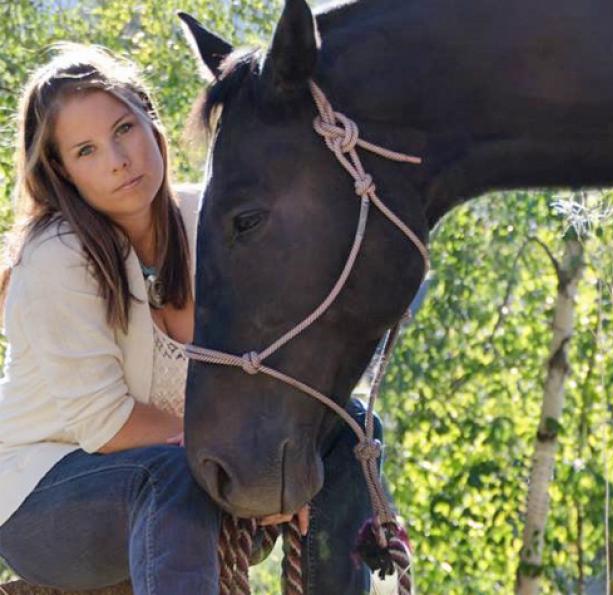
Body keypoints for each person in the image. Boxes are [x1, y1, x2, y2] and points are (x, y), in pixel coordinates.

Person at [0, 44, 380, 595]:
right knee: (172, 477)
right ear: (62, 171)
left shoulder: (214, 221)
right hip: (46, 505)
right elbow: (106, 425)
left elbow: (284, 356)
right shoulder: (56, 258)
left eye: (124, 129)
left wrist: (289, 462)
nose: (118, 159)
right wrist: (235, 456)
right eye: (86, 150)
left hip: (190, 475)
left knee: (347, 425)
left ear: (152, 123)